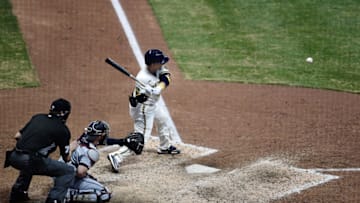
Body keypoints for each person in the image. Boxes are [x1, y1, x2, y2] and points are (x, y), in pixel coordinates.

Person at [4, 98, 77, 203]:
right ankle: (54, 200)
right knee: (67, 171)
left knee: (33, 158)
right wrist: (71, 147)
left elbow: (17, 136)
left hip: (13, 157)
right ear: (64, 113)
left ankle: (18, 194)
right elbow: (66, 158)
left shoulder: (38, 117)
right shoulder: (63, 130)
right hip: (29, 161)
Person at [63, 120, 144, 202]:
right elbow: (80, 173)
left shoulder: (81, 140)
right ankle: (68, 195)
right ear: (99, 136)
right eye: (104, 134)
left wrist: (122, 141)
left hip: (59, 172)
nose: (106, 136)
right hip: (68, 179)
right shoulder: (92, 152)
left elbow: (69, 150)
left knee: (90, 179)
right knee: (104, 194)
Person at [128, 49, 180, 155]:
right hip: (142, 107)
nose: (162, 65)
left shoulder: (156, 68)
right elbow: (139, 98)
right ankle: (118, 156)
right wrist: (146, 92)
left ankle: (165, 147)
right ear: (152, 64)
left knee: (163, 119)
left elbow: (166, 77)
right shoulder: (143, 78)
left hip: (152, 105)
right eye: (159, 63)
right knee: (142, 137)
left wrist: (159, 87)